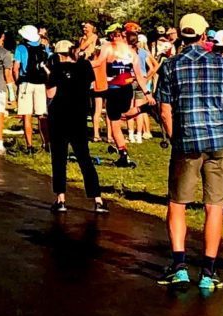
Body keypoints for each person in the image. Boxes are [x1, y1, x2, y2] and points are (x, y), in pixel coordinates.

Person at [154, 13, 223, 292]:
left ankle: (179, 266)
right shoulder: (222, 63)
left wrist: (172, 135)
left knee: (178, 203)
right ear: (204, 36)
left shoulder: (170, 66)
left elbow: (165, 110)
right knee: (214, 206)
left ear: (180, 35)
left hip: (187, 140)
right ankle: (208, 270)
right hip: (219, 139)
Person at [45, 28, 102, 211]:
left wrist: (49, 76)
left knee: (59, 158)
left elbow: (50, 93)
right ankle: (97, 199)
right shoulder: (85, 66)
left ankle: (61, 198)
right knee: (84, 157)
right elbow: (92, 86)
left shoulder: (56, 68)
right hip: (79, 115)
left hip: (59, 115)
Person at [101, 26, 140, 161]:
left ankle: (123, 153)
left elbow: (99, 63)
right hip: (126, 88)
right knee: (123, 114)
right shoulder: (132, 53)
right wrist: (147, 93)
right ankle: (143, 108)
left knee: (115, 121)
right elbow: (138, 74)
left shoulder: (110, 50)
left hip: (114, 88)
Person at [12, 24, 51, 154]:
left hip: (26, 83)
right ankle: (46, 143)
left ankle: (29, 146)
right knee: (41, 115)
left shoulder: (21, 48)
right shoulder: (43, 47)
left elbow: (16, 67)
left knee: (27, 115)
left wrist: (17, 82)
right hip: (40, 84)